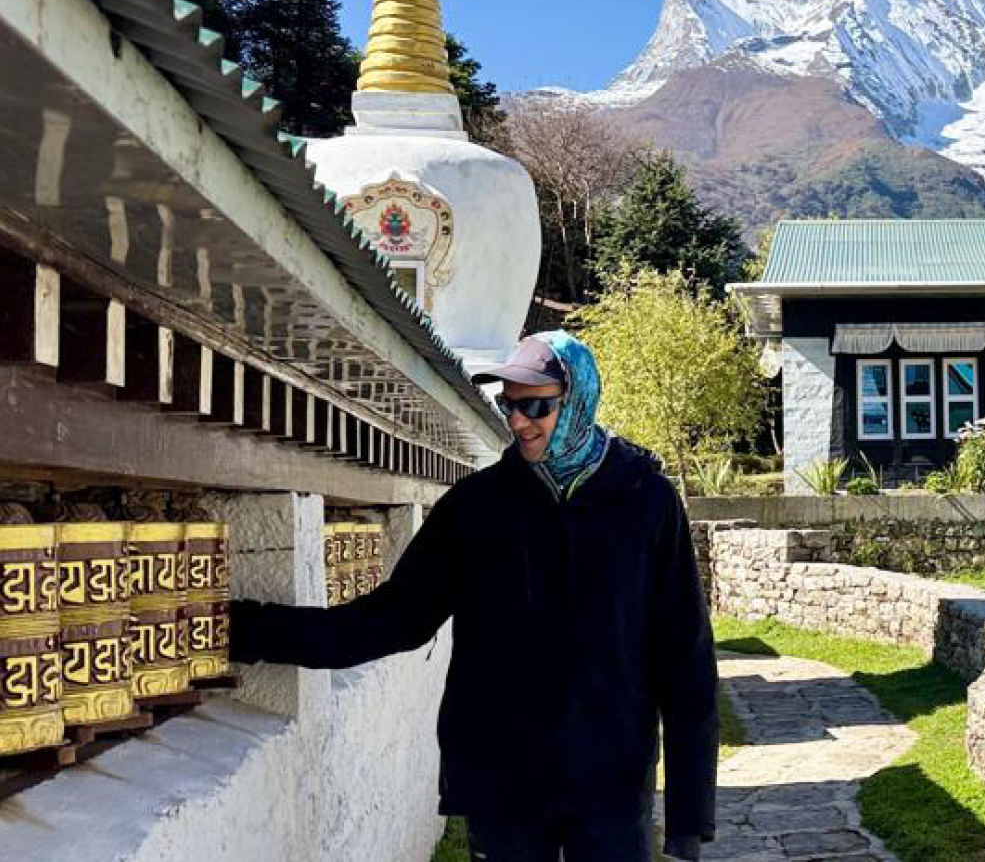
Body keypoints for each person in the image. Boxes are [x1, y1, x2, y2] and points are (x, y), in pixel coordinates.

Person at [230, 331, 718, 862]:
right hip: (503, 783)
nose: (518, 421)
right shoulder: (478, 507)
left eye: (535, 404)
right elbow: (393, 619)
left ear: (577, 399)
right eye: (509, 404)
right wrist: (248, 629)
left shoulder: (646, 502)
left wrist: (689, 824)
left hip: (612, 785)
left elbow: (685, 661)